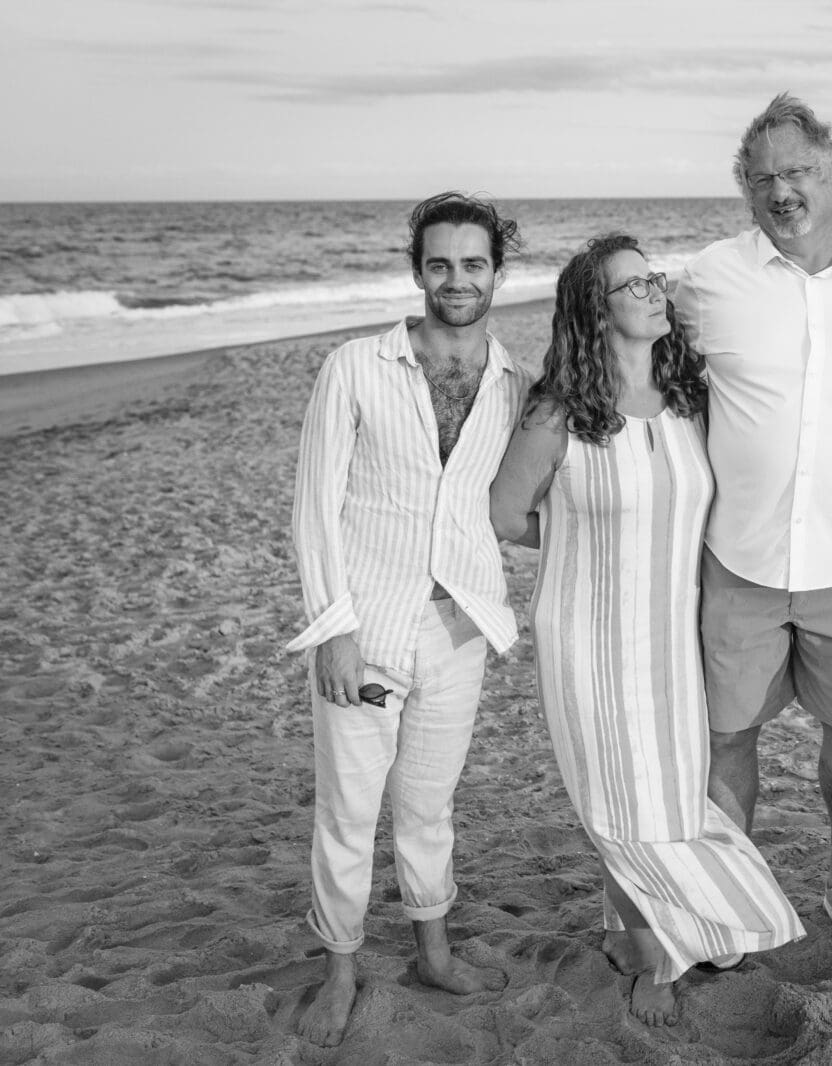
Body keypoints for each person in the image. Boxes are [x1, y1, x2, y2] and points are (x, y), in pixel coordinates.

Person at [490, 235, 805, 1027]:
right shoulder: (559, 415)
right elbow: (504, 513)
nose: (654, 291)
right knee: (619, 802)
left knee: (663, 796)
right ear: (595, 311)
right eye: (632, 285)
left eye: (653, 278)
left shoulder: (688, 402)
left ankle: (633, 928)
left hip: (671, 636)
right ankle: (652, 957)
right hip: (589, 636)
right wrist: (583, 538)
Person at [671, 93, 832, 950]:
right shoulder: (705, 280)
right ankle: (729, 894)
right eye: (761, 178)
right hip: (736, 557)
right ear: (745, 190)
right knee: (726, 735)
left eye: (798, 172)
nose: (781, 191)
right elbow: (653, 380)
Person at [286, 192, 531, 1047]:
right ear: (418, 269)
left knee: (429, 806)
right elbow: (314, 508)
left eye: (473, 264)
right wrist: (332, 629)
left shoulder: (514, 384)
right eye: (441, 264)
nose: (457, 280)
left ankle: (433, 951)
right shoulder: (355, 366)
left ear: (497, 272)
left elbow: (515, 505)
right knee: (348, 812)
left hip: (459, 627)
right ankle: (340, 969)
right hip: (369, 626)